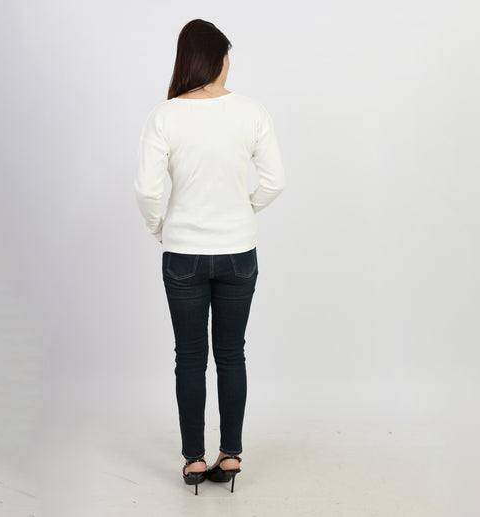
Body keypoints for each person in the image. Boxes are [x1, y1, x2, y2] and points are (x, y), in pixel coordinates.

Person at [134, 18, 285, 495]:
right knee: (231, 354)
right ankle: (232, 454)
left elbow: (146, 190)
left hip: (183, 254)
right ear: (219, 59)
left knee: (190, 357)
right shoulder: (252, 112)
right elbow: (275, 181)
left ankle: (195, 460)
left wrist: (161, 228)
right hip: (239, 251)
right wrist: (245, 210)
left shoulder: (164, 115)